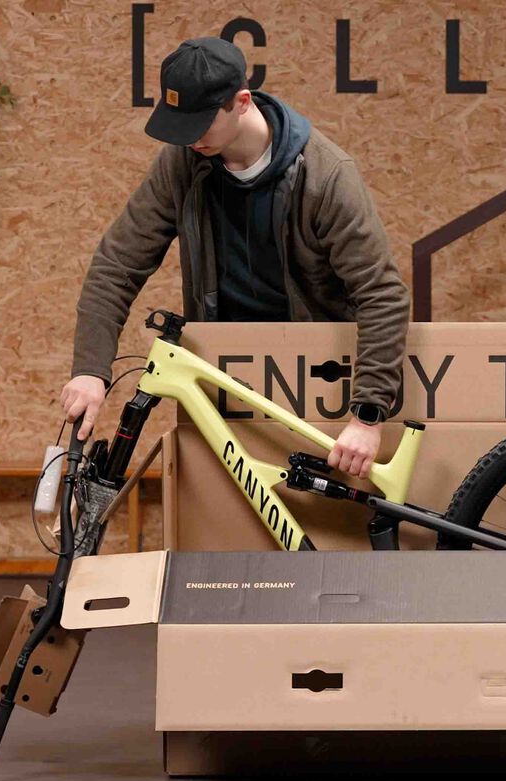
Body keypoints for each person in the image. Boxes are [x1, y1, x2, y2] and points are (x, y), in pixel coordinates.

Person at [61, 37, 409, 478]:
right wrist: (91, 370)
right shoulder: (183, 162)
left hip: (312, 371)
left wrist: (368, 415)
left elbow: (382, 294)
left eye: (200, 124)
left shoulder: (324, 177)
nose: (190, 139)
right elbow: (117, 265)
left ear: (241, 102)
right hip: (226, 370)